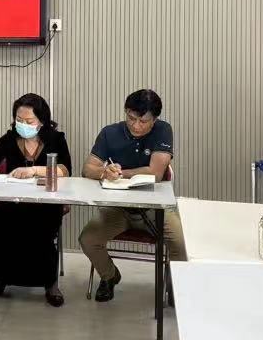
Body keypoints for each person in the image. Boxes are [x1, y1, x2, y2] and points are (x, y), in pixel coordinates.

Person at [78, 89, 185, 303]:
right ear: (126, 112)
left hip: (155, 209)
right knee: (88, 240)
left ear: (155, 119)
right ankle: (109, 276)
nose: (136, 126)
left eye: (143, 121)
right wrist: (104, 172)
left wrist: (121, 173)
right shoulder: (110, 132)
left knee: (181, 243)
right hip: (118, 209)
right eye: (131, 118)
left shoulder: (163, 130)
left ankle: (176, 286)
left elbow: (155, 172)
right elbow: (87, 168)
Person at [0, 94, 72, 307]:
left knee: (42, 229)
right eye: (19, 120)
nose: (23, 125)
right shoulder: (10, 139)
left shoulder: (55, 139)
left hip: (46, 204)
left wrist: (34, 170)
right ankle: (1, 278)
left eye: (29, 121)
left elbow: (65, 169)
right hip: (13, 202)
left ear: (42, 121)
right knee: (0, 224)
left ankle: (50, 283)